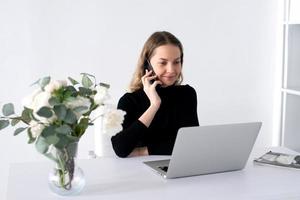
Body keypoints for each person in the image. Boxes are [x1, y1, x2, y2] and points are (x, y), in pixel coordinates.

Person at [111, 31, 199, 158]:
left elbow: (191, 143)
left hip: (177, 167)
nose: (171, 70)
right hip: (139, 171)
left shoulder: (187, 94)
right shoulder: (129, 101)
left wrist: (142, 151)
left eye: (176, 62)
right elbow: (121, 149)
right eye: (163, 63)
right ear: (148, 64)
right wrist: (154, 105)